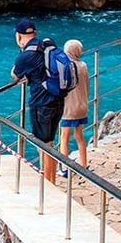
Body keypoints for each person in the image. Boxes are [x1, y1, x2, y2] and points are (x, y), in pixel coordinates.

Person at [11, 18, 64, 181]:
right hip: (58, 100)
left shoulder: (25, 56)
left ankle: (48, 182)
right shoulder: (47, 45)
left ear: (18, 36)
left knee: (43, 145)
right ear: (35, 33)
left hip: (41, 104)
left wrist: (20, 57)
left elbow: (15, 76)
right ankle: (51, 179)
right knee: (50, 142)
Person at [59, 39, 89, 168]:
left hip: (69, 107)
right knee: (79, 136)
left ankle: (64, 167)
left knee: (64, 137)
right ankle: (84, 164)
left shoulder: (66, 67)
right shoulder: (83, 65)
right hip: (82, 106)